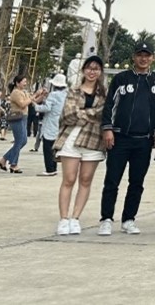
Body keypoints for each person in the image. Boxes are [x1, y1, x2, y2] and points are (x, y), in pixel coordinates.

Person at [98, 41, 155, 236]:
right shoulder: (121, 79)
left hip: (144, 140)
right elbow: (109, 104)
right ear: (134, 57)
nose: (143, 59)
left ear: (153, 58)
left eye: (147, 55)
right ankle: (106, 219)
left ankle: (129, 219)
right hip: (120, 138)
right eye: (140, 55)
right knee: (112, 180)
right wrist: (107, 128)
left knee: (136, 182)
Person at [54, 55, 107, 235]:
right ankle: (63, 218)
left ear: (100, 72)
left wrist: (82, 112)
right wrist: (91, 114)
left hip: (93, 139)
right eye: (89, 68)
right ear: (84, 70)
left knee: (85, 179)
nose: (92, 72)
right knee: (68, 179)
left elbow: (103, 114)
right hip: (71, 137)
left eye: (96, 69)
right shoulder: (73, 90)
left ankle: (75, 218)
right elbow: (68, 115)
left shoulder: (104, 94)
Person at [0, 75, 46, 174]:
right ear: (17, 83)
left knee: (23, 141)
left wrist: (41, 95)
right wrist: (34, 95)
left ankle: (4, 159)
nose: (25, 83)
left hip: (24, 117)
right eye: (24, 82)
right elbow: (22, 104)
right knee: (19, 141)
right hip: (17, 118)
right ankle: (13, 164)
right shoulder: (15, 93)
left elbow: (33, 101)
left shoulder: (24, 92)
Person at [35, 74, 69, 177]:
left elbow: (47, 108)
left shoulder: (53, 95)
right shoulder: (66, 94)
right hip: (59, 122)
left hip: (50, 122)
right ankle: (53, 168)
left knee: (47, 147)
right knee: (54, 147)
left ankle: (49, 169)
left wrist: (35, 106)